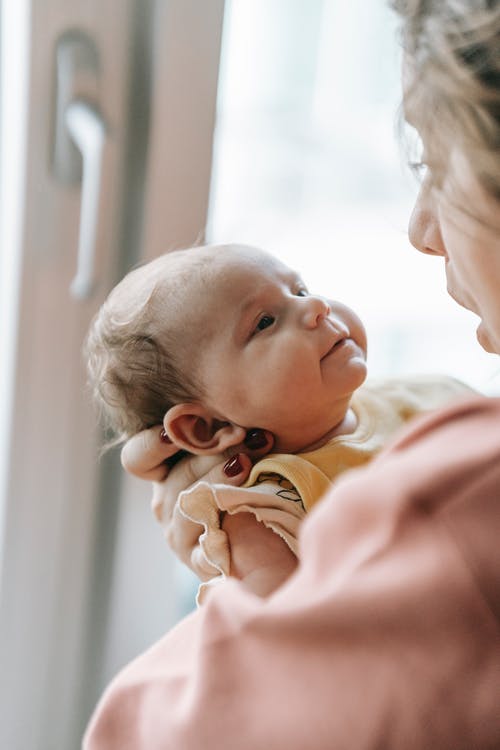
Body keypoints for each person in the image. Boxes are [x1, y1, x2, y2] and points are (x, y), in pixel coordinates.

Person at [84, 0, 500, 748]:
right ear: (205, 427)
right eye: (265, 323)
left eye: (436, 165)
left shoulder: (462, 485)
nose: (420, 230)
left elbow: (233, 700)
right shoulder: (259, 502)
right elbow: (276, 617)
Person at [86, 243, 471, 598]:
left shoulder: (429, 391)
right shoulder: (261, 514)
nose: (316, 306)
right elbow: (283, 641)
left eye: (300, 291)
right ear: (210, 428)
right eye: (265, 322)